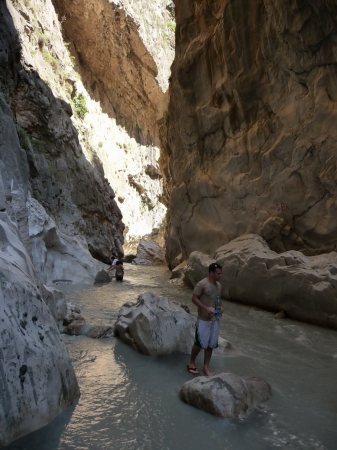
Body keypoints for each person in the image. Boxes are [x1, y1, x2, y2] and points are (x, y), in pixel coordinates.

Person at [187, 262, 223, 376]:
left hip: (214, 318)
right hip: (203, 318)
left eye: (221, 273)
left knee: (211, 344)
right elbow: (194, 298)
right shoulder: (202, 284)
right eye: (218, 273)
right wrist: (205, 308)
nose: (220, 275)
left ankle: (206, 367)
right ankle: (191, 363)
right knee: (199, 343)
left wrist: (220, 308)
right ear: (211, 273)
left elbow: (217, 299)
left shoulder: (219, 286)